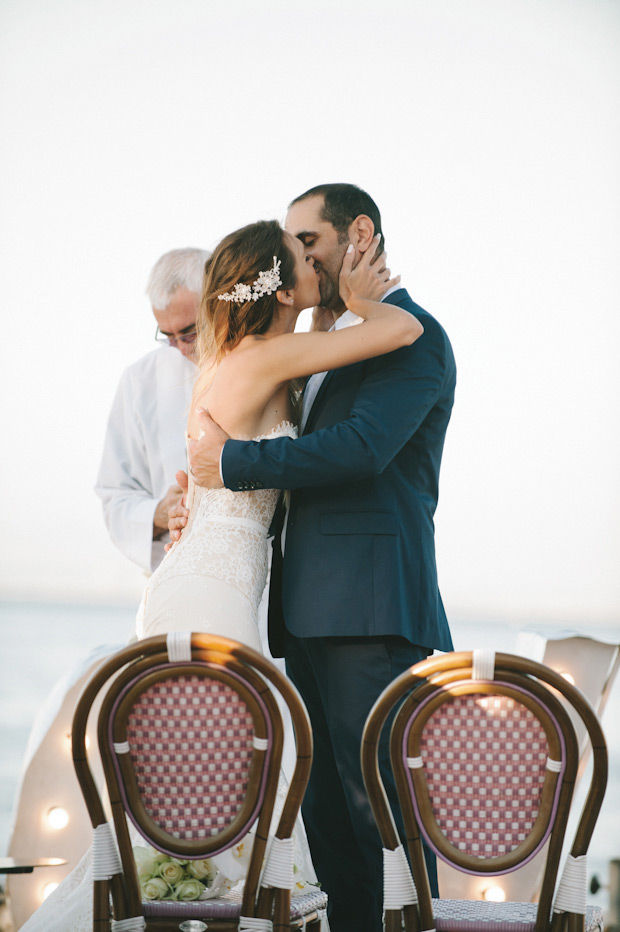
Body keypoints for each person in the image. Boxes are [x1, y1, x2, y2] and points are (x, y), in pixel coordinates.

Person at [20, 217, 420, 932]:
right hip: (210, 584)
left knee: (226, 776)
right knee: (239, 769)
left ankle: (202, 911)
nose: (314, 261)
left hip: (213, 577)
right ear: (274, 281)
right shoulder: (264, 355)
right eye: (302, 255)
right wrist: (361, 296)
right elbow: (400, 332)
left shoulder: (250, 353)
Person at [172, 184, 457, 932]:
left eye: (309, 240)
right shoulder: (313, 344)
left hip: (370, 609)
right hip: (300, 612)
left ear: (357, 233)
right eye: (290, 248)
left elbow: (363, 451)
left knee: (386, 821)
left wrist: (233, 464)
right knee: (329, 827)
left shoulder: (412, 334)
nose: (299, 255)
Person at [95, 247, 209, 573]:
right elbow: (114, 494)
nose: (180, 347)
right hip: (173, 572)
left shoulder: (264, 360)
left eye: (189, 332)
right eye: (167, 336)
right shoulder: (139, 381)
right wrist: (158, 513)